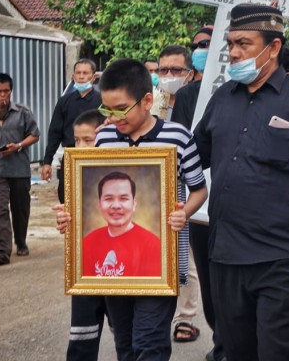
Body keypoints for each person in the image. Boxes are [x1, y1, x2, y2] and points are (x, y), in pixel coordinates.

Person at [194, 4, 289, 361]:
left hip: (282, 258)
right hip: (226, 254)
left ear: (273, 48)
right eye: (231, 43)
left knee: (279, 351)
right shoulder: (222, 98)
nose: (234, 52)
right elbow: (191, 157)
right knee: (235, 350)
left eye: (244, 43)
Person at [76, 58, 207, 361]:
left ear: (147, 100)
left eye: (121, 108)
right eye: (107, 109)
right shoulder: (104, 138)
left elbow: (200, 190)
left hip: (160, 265)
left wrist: (184, 212)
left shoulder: (178, 137)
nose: (113, 117)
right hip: (116, 271)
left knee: (149, 342)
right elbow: (89, 189)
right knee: (125, 342)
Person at [173, 26, 227, 361]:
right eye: (197, 46)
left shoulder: (235, 90)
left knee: (235, 281)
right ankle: (221, 341)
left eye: (207, 44)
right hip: (199, 202)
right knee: (208, 282)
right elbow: (178, 146)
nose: (201, 49)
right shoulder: (187, 95)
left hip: (237, 202)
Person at [53, 109, 110, 361]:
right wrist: (65, 219)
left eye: (88, 140)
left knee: (126, 336)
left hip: (122, 265)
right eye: (76, 140)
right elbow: (68, 208)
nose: (81, 146)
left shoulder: (123, 165)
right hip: (85, 263)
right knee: (82, 333)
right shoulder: (71, 168)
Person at [0, 73, 40, 265]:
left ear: (11, 91)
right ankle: (2, 251)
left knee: (20, 209)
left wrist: (19, 146)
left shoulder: (22, 112)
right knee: (0, 210)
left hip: (19, 169)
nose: (3, 95)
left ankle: (21, 242)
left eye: (6, 91)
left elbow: (35, 135)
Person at [41, 59, 101, 203]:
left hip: (96, 156)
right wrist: (47, 161)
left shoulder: (102, 101)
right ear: (73, 76)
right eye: (78, 73)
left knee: (94, 197)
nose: (81, 76)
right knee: (67, 198)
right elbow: (54, 132)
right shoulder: (64, 102)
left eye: (85, 73)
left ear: (93, 77)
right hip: (70, 156)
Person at [83, 171, 161, 276]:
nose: (116, 205)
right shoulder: (88, 243)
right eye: (108, 199)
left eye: (123, 199)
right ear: (99, 205)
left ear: (134, 204)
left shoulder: (153, 246)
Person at [156, 45, 195, 121]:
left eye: (176, 70)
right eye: (163, 70)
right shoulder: (148, 105)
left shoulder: (198, 105)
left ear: (190, 75)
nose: (169, 75)